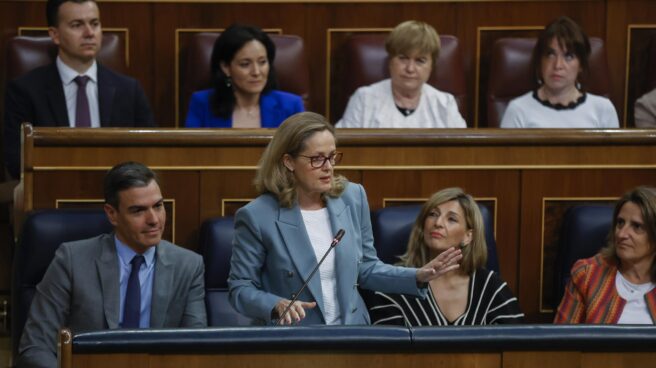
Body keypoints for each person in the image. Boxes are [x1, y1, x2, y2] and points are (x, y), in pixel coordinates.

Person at [228, 111, 462, 325]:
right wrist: (275, 305)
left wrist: (417, 275)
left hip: (353, 334)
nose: (328, 167)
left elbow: (367, 268)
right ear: (288, 161)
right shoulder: (258, 216)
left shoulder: (352, 197)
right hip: (295, 337)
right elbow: (240, 288)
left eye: (332, 157)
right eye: (317, 159)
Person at [17, 162, 206, 367]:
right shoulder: (71, 260)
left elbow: (195, 348)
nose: (154, 219)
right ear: (112, 214)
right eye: (138, 211)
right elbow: (36, 346)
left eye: (158, 206)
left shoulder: (188, 265)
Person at [3, 0, 154, 180]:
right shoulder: (25, 90)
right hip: (52, 192)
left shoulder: (129, 89)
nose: (89, 33)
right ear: (55, 34)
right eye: (77, 25)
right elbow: (15, 159)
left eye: (95, 24)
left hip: (118, 194)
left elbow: (151, 152)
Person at [366, 188, 523, 326]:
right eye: (433, 214)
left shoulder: (490, 287)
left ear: (468, 236)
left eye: (451, 219)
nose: (438, 223)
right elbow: (386, 354)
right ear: (422, 226)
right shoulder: (394, 286)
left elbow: (517, 347)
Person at [336, 20, 466, 128]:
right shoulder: (364, 99)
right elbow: (343, 148)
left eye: (420, 61)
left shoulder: (444, 104)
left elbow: (461, 153)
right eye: (403, 58)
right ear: (390, 60)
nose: (410, 68)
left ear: (431, 66)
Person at [555, 187, 656, 324]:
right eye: (620, 223)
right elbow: (561, 340)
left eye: (637, 226)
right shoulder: (587, 274)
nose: (621, 234)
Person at [501, 16, 619, 128]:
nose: (557, 65)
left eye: (568, 56)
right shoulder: (518, 110)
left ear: (581, 65)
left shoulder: (603, 109)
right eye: (550, 55)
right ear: (540, 61)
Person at [185, 24, 304, 128]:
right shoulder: (202, 104)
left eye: (262, 62)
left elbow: (301, 152)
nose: (256, 72)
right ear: (226, 67)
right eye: (245, 64)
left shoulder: (292, 106)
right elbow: (191, 153)